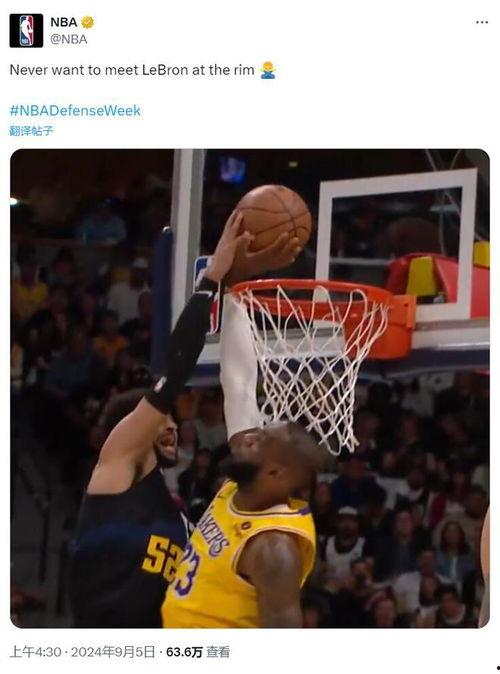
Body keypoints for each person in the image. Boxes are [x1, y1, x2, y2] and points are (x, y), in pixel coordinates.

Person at [69, 210, 253, 627]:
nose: (172, 425)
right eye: (161, 419)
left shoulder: (177, 517)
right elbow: (174, 373)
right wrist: (212, 279)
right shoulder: (117, 465)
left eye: (172, 420)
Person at [162, 234, 324, 628]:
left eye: (260, 439)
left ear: (275, 472)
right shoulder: (246, 483)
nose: (249, 434)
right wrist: (235, 288)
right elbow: (239, 384)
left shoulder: (274, 548)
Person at [107, 257, 149, 325]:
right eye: (137, 271)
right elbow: (110, 313)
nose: (139, 274)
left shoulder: (150, 294)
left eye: (142, 272)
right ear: (132, 271)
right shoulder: (116, 289)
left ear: (146, 274)